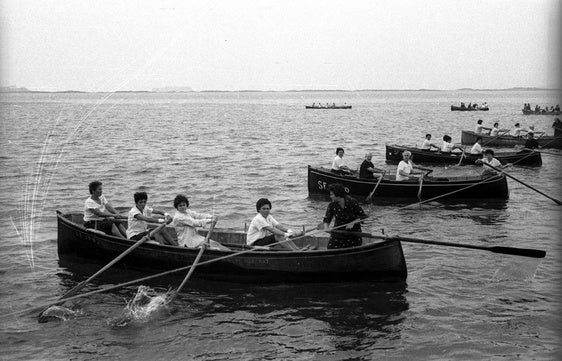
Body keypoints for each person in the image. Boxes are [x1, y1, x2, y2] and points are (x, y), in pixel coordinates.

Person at [320, 183, 367, 249]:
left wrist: (353, 222)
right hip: (338, 233)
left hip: (353, 234)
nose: (330, 196)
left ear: (338, 195)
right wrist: (326, 227)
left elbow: (363, 217)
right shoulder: (331, 205)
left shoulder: (352, 202)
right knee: (330, 249)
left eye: (332, 194)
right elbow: (327, 219)